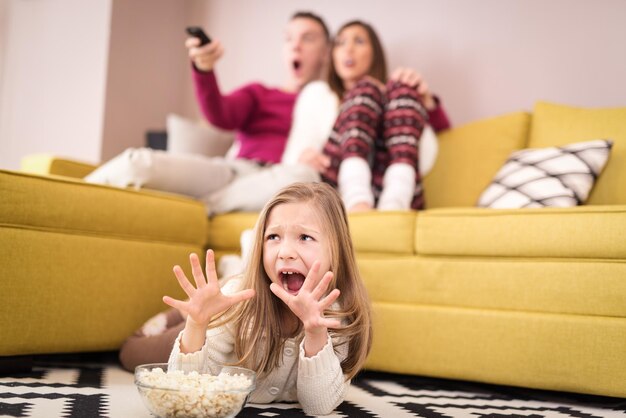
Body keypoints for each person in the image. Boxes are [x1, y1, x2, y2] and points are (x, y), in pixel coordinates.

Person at [84, 12, 330, 215]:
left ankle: (200, 207)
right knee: (138, 163)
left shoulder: (334, 107)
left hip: (275, 183)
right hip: (231, 171)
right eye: (289, 39)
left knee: (304, 177)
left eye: (307, 38)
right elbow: (219, 114)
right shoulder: (260, 93)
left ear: (325, 52)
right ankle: (63, 197)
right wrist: (204, 70)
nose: (296, 45)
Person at [166, 183, 373, 415]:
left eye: (305, 237)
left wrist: (316, 333)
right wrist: (196, 323)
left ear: (337, 252)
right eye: (273, 236)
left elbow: (319, 406)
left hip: (232, 309)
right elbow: (183, 389)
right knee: (133, 351)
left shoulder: (337, 313)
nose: (285, 251)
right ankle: (174, 317)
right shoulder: (240, 298)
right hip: (217, 316)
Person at [281, 20, 451, 211]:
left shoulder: (398, 96)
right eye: (340, 43)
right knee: (365, 89)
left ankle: (395, 199)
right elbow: (295, 152)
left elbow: (443, 138)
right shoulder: (319, 95)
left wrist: (426, 101)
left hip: (394, 184)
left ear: (374, 53)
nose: (348, 49)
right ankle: (357, 197)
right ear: (333, 55)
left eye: (359, 41)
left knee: (403, 85)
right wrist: (303, 157)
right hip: (334, 189)